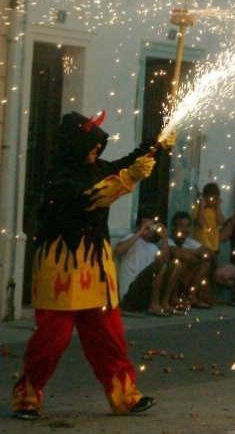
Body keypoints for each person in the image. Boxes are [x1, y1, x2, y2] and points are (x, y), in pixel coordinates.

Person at [12, 111, 166, 420]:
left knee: (109, 339)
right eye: (92, 145)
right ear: (74, 145)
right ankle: (27, 399)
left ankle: (125, 397)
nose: (97, 150)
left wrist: (156, 146)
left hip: (96, 271)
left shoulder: (97, 168)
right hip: (60, 272)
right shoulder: (58, 178)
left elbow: (125, 164)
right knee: (51, 342)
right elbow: (92, 197)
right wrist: (130, 177)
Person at [116, 209, 181, 316]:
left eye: (151, 226)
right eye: (146, 225)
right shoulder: (131, 239)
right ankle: (154, 305)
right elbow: (119, 250)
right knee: (159, 264)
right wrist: (140, 232)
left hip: (145, 293)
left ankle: (164, 302)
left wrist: (164, 237)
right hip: (130, 294)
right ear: (138, 227)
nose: (149, 229)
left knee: (174, 264)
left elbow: (166, 262)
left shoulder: (152, 247)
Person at [168, 211, 213, 309]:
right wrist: (195, 255)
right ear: (173, 227)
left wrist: (192, 252)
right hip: (172, 282)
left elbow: (209, 254)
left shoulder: (189, 242)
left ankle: (191, 296)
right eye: (181, 226)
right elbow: (180, 255)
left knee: (206, 264)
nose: (185, 230)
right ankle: (175, 298)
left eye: (187, 226)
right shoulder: (167, 240)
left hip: (188, 279)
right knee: (178, 264)